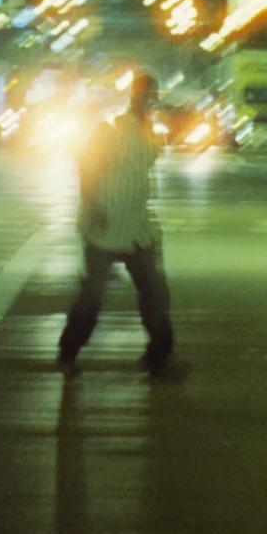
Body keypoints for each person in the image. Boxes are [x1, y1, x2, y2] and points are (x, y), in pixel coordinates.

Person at [57, 71, 188, 381]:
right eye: (146, 96)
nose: (150, 102)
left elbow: (157, 150)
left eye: (153, 97)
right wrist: (92, 206)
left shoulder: (148, 134)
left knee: (153, 293)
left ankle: (160, 355)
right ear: (134, 96)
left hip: (137, 227)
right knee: (92, 297)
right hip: (104, 227)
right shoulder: (110, 130)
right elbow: (85, 166)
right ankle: (68, 351)